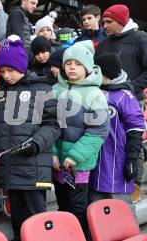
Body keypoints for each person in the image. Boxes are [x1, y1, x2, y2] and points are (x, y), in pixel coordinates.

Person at [0, 35, 60, 241]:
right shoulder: (0, 93)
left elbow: (54, 124)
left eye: (10, 70)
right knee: (18, 223)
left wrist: (36, 143)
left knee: (36, 224)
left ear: (21, 66)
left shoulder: (42, 89)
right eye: (2, 71)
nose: (6, 75)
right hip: (9, 169)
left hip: (33, 168)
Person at [95, 4, 147, 202]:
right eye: (104, 22)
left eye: (109, 22)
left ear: (122, 21)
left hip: (131, 101)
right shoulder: (103, 43)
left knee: (132, 143)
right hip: (104, 101)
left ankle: (134, 186)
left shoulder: (143, 39)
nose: (104, 25)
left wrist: (130, 87)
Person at [52, 40, 109, 237]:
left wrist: (75, 155)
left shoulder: (95, 94)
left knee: (78, 208)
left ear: (86, 66)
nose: (72, 68)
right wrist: (52, 153)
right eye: (68, 63)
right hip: (58, 163)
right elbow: (47, 124)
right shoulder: (55, 90)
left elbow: (99, 130)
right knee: (62, 205)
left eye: (77, 63)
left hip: (80, 164)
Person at [89, 53, 145, 212]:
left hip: (116, 161)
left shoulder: (124, 95)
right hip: (95, 161)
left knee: (121, 209)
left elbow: (136, 127)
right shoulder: (92, 92)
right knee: (96, 210)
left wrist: (132, 158)